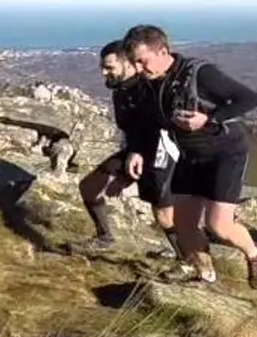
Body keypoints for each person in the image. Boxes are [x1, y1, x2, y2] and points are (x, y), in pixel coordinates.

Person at [121, 23, 257, 288]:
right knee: (183, 223)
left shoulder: (199, 74)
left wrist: (209, 120)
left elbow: (249, 99)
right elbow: (147, 122)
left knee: (219, 226)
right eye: (135, 63)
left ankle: (255, 254)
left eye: (143, 62)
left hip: (224, 152)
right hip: (188, 154)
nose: (140, 69)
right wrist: (136, 150)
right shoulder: (150, 85)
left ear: (163, 51)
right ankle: (204, 275)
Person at [77, 41, 180, 258]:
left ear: (130, 65)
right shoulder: (121, 92)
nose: (105, 73)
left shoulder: (152, 88)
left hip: (162, 153)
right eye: (103, 68)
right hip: (135, 150)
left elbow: (162, 129)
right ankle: (105, 238)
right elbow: (131, 129)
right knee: (89, 187)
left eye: (110, 67)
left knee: (163, 215)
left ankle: (188, 260)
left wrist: (137, 166)